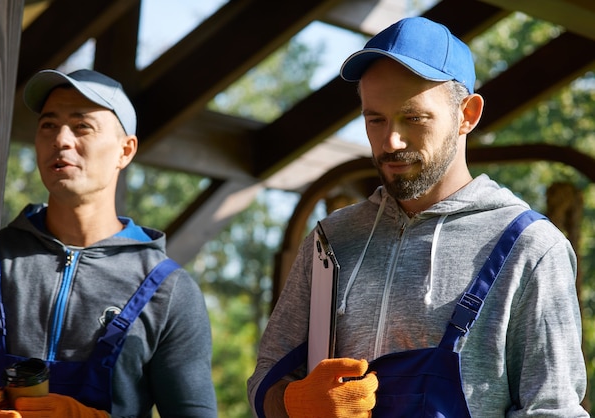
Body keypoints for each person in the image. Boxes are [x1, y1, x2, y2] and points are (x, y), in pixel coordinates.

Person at [247, 16, 588, 417]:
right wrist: (293, 403)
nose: (391, 140)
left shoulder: (531, 249)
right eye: (375, 119)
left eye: (414, 118)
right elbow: (265, 379)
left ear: (468, 115)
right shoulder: (331, 240)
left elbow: (552, 410)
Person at [0, 69, 217, 417]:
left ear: (125, 151)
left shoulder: (171, 291)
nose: (61, 140)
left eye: (82, 126)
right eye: (48, 125)